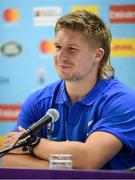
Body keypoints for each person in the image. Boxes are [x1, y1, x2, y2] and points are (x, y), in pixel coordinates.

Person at [2, 10, 135, 170]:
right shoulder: (39, 101)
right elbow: (9, 160)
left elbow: (88, 159)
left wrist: (33, 143)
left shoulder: (122, 101)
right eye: (58, 47)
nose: (61, 56)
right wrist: (64, 165)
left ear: (97, 55)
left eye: (72, 49)